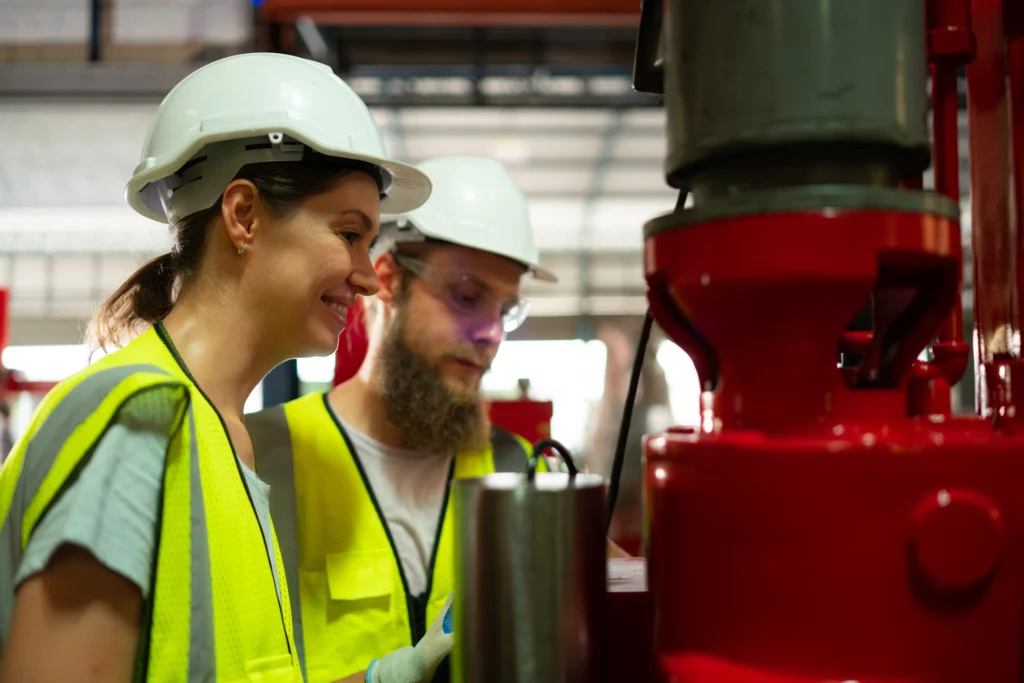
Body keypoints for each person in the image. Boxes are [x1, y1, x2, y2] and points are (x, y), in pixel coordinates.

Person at [0, 52, 431, 683]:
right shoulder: (133, 421)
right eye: (348, 235)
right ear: (243, 215)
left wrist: (390, 677)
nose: (368, 278)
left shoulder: (226, 438)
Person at [245, 156, 558, 683]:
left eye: (506, 311)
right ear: (388, 280)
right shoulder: (261, 457)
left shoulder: (521, 472)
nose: (492, 333)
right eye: (467, 296)